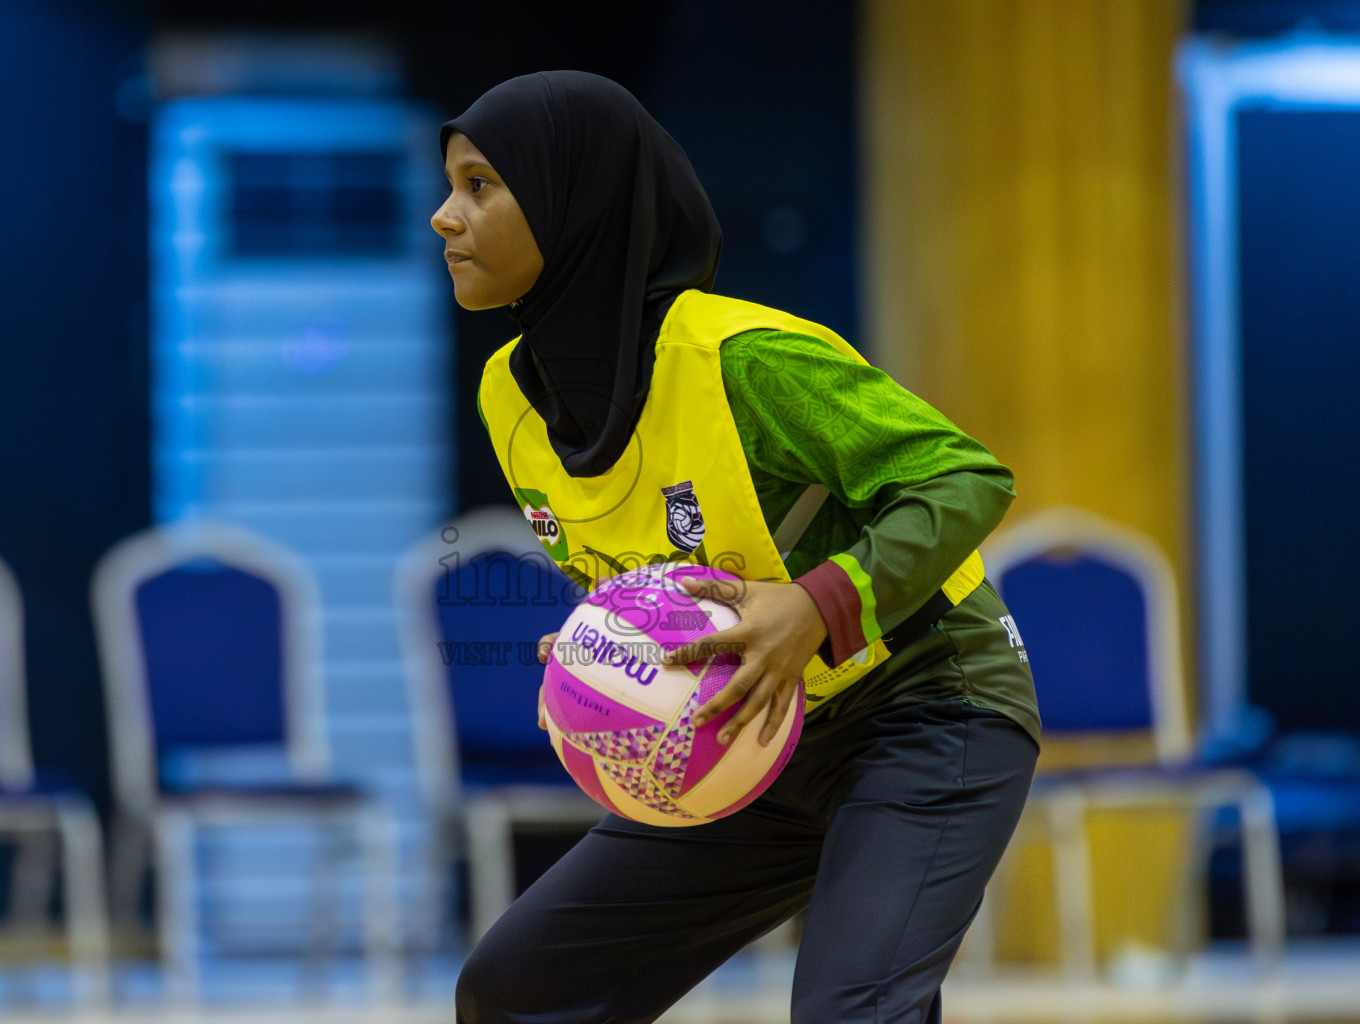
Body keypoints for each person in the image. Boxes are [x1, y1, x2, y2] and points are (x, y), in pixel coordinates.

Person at [431, 70, 1040, 1024]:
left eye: (479, 186)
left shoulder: (744, 357)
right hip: (747, 735)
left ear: (573, 202)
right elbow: (645, 578)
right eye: (451, 187)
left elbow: (966, 478)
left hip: (926, 706)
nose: (444, 217)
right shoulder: (509, 395)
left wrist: (813, 607)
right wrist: (604, 652)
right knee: (514, 992)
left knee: (853, 1012)